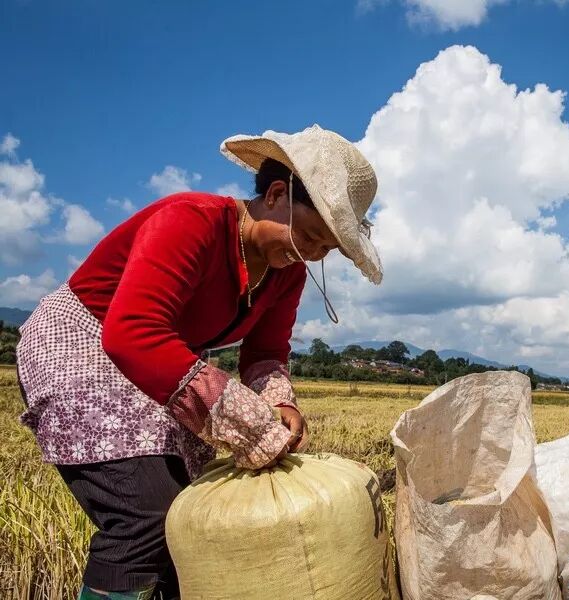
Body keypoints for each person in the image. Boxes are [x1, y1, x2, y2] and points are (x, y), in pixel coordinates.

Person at [15, 125, 383, 599]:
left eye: (324, 250)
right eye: (311, 236)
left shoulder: (284, 271)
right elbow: (132, 332)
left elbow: (266, 351)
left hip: (160, 355)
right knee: (145, 517)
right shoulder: (191, 220)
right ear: (275, 195)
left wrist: (281, 405)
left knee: (188, 516)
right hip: (83, 339)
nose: (310, 255)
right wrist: (242, 416)